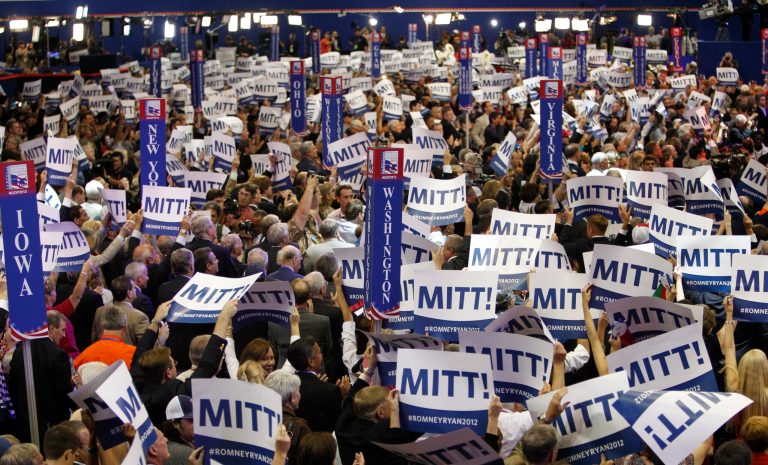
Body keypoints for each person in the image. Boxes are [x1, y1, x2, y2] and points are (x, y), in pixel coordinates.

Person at [8, 312, 73, 445]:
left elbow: (13, 389)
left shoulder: (19, 352)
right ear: (51, 329)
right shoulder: (59, 355)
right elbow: (62, 393)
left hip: (25, 425)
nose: (64, 335)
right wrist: (71, 385)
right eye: (62, 330)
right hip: (54, 428)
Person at [265, 370, 311, 464]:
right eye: (298, 391)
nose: (300, 394)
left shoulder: (260, 418)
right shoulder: (299, 426)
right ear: (293, 397)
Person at [162, 395, 195, 465]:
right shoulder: (187, 453)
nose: (197, 424)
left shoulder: (166, 445)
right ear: (175, 424)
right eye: (191, 420)